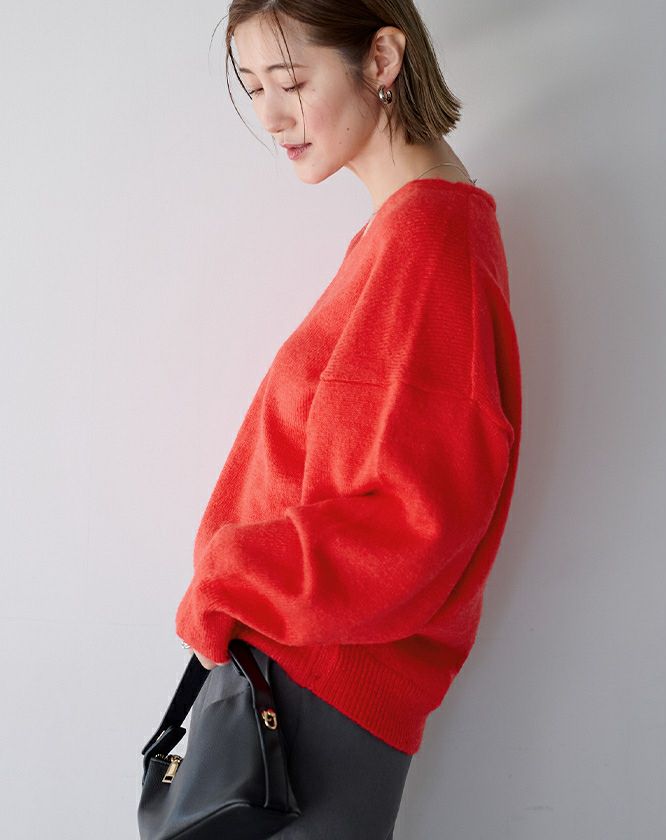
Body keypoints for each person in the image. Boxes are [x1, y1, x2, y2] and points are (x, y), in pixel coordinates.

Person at [175, 2, 522, 838]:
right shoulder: (401, 233)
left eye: (291, 81)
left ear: (381, 59)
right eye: (254, 86)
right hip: (298, 676)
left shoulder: (427, 239)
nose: (270, 115)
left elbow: (417, 520)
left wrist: (227, 575)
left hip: (318, 689)